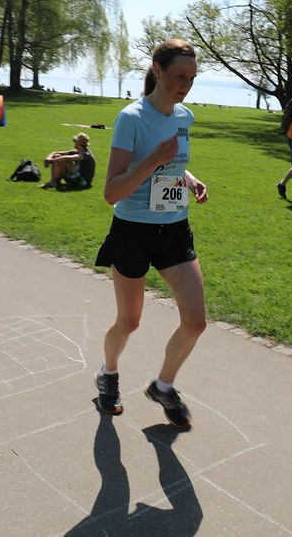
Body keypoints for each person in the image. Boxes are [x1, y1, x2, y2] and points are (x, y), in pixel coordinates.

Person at [93, 39, 209, 428]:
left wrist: (189, 179)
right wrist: (153, 161)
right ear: (157, 71)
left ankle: (164, 385)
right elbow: (111, 191)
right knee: (129, 322)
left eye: (191, 78)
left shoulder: (185, 116)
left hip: (174, 228)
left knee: (195, 322)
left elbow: (172, 162)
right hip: (133, 231)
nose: (185, 85)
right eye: (179, 76)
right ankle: (108, 373)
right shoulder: (131, 118)